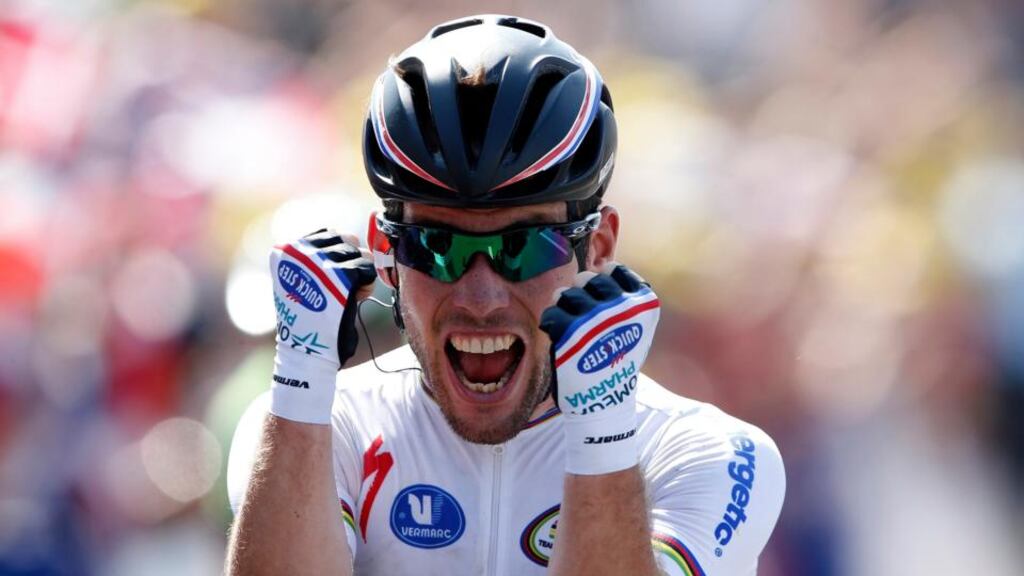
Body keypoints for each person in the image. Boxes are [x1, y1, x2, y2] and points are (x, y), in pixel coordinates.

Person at [225, 14, 785, 576]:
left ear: (600, 247)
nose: (481, 296)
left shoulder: (707, 452)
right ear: (384, 254)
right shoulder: (322, 427)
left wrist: (602, 435)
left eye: (524, 246)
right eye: (436, 245)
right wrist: (300, 382)